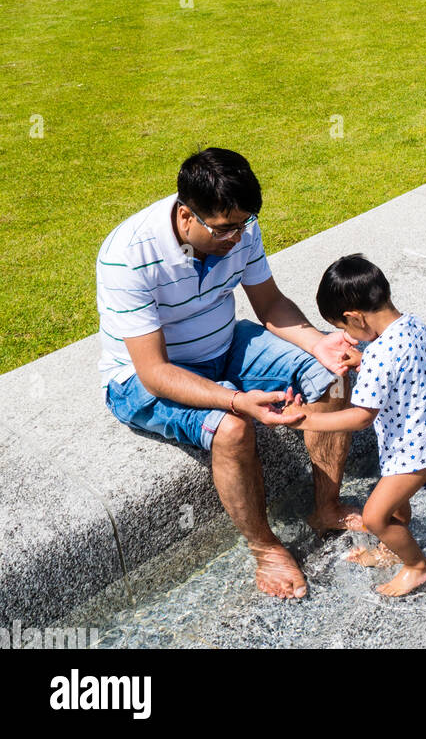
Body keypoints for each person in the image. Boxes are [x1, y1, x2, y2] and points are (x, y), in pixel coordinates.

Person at [97, 148, 364, 599]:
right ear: (186, 215)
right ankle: (266, 549)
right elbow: (155, 372)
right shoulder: (128, 255)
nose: (238, 238)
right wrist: (237, 400)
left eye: (244, 225)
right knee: (233, 430)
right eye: (225, 229)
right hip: (143, 379)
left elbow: (270, 305)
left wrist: (319, 343)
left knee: (332, 373)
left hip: (226, 344)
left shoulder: (239, 226)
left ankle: (326, 507)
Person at [271, 254, 426, 598]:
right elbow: (399, 369)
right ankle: (391, 549)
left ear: (354, 317)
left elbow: (361, 417)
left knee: (375, 516)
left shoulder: (379, 357)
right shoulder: (411, 325)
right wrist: (363, 360)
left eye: (343, 327)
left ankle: (417, 566)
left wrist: (307, 419)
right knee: (397, 505)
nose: (345, 334)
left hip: (414, 452)